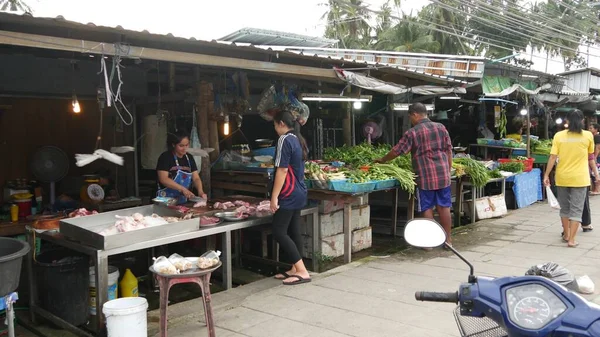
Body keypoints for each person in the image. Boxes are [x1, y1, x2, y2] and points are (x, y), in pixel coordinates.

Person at [376, 103, 453, 246]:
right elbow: (449, 151)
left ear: (415, 114)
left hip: (425, 177)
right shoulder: (441, 128)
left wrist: (382, 160)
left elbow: (397, 151)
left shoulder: (413, 132)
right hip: (443, 175)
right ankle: (448, 241)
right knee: (444, 207)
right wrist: (448, 170)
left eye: (410, 116)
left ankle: (430, 243)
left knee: (427, 208)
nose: (410, 119)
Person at [543, 110, 600, 247]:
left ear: (567, 121)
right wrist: (596, 175)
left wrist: (546, 175)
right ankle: (572, 240)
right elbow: (590, 157)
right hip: (580, 178)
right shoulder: (587, 136)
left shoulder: (559, 136)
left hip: (562, 177)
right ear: (582, 121)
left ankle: (566, 234)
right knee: (576, 209)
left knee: (565, 208)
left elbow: (553, 157)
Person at [270, 110, 310, 285]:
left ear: (280, 123)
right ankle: (295, 267)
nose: (275, 129)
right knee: (293, 230)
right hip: (300, 191)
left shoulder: (284, 139)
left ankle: (302, 270)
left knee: (279, 232)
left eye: (274, 125)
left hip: (288, 192)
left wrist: (274, 197)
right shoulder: (298, 139)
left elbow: (282, 170)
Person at [156, 129, 207, 205]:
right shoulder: (165, 157)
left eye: (187, 145)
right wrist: (182, 189)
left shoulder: (189, 158)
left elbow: (196, 178)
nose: (185, 148)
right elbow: (163, 179)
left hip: (182, 201)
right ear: (173, 145)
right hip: (165, 200)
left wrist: (200, 191)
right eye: (181, 146)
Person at [588, 123, 600, 194]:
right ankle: (595, 189)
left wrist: (594, 157)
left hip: (597, 157)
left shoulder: (596, 137)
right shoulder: (593, 136)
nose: (589, 130)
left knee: (595, 172)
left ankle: (597, 189)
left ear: (596, 129)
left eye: (591, 128)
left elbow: (598, 147)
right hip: (596, 156)